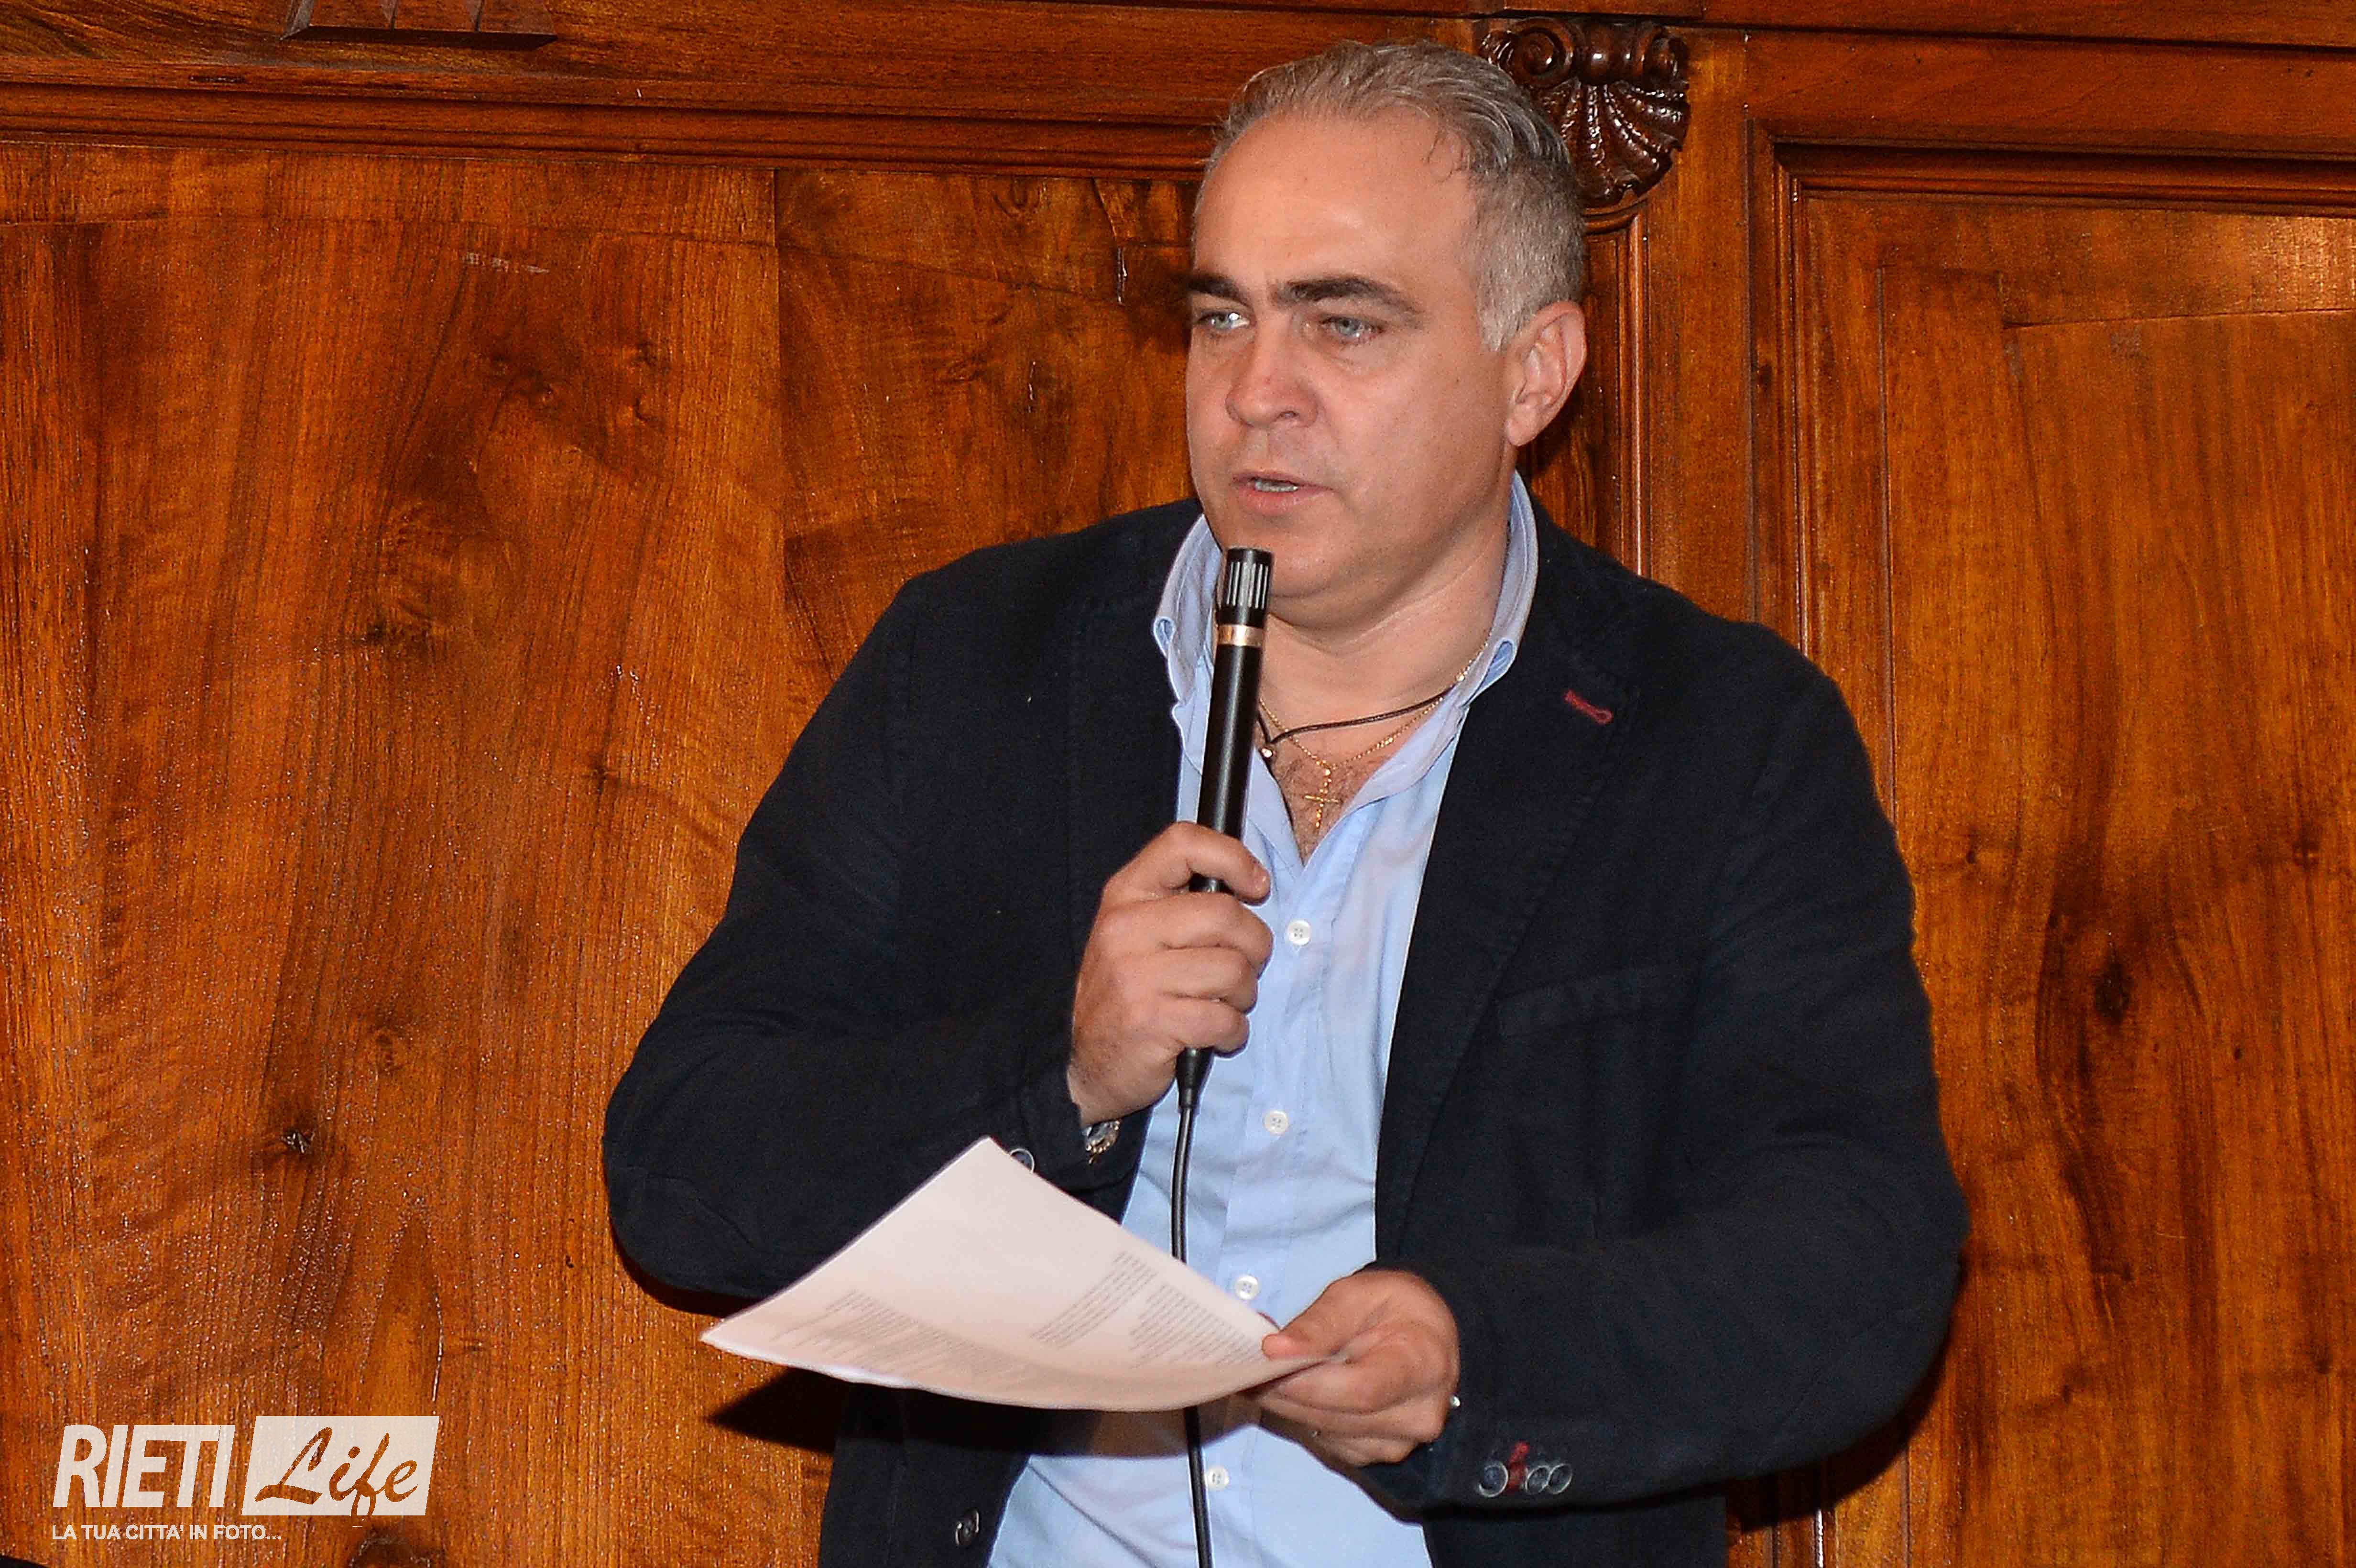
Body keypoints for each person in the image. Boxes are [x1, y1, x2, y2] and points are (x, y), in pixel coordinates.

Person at [605, 39, 1964, 1568]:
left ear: (1535, 373)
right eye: (1223, 316)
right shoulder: (978, 664)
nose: (1258, 393)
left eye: (1345, 324)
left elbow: (1855, 1266)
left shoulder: (1718, 735)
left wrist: (1476, 1352)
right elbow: (682, 1165)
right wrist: (1058, 1076)